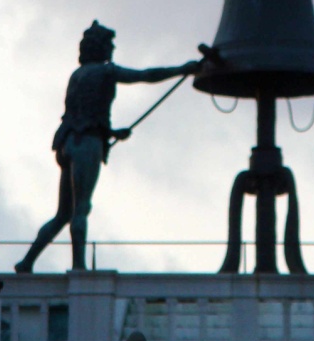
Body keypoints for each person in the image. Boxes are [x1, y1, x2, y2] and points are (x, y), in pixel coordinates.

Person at [15, 21, 198, 273]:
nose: (112, 49)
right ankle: (78, 266)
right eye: (109, 44)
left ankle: (27, 262)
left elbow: (80, 112)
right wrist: (181, 69)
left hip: (67, 143)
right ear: (99, 47)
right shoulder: (106, 72)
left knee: (63, 214)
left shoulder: (77, 75)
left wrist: (111, 133)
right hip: (87, 143)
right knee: (81, 208)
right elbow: (145, 75)